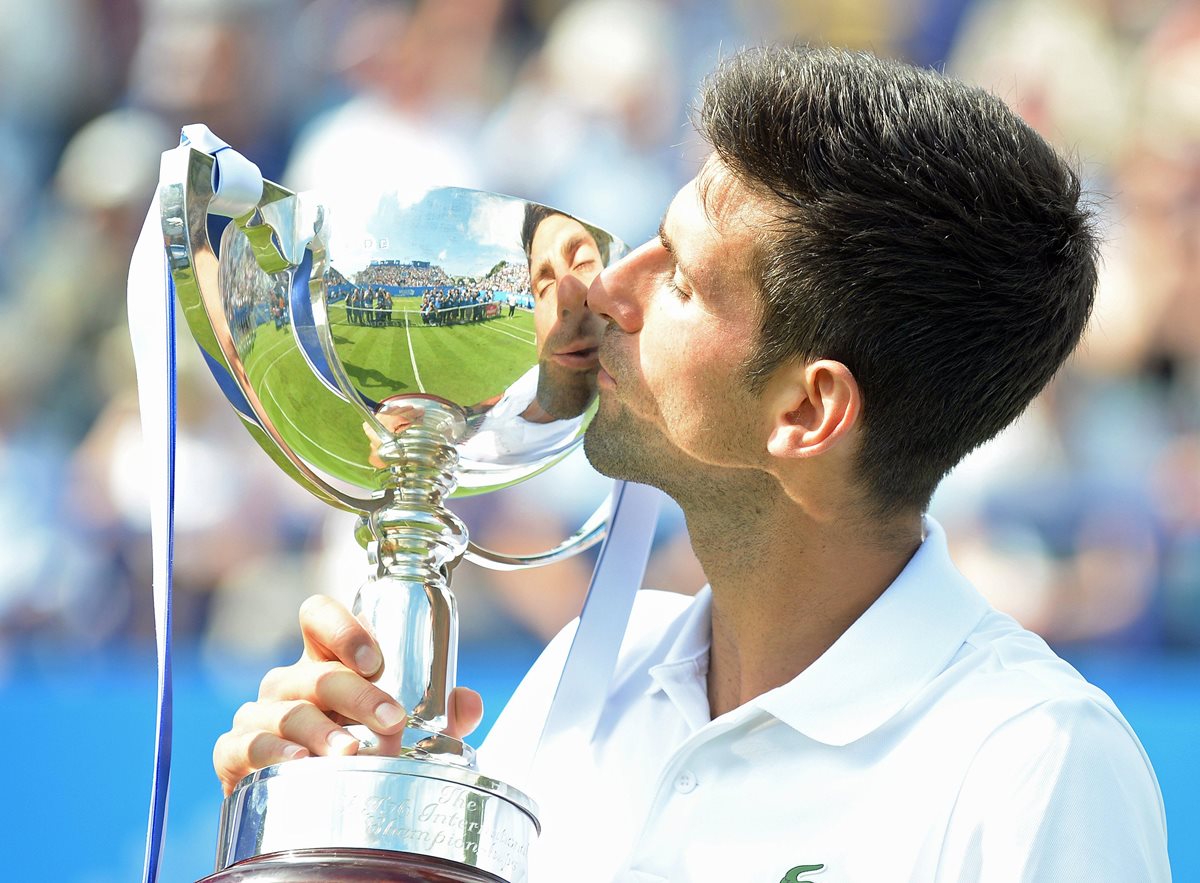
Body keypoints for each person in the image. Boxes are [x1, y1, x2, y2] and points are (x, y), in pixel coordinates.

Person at [212, 46, 1169, 881]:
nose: (604, 285)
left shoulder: (1034, 762)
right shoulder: (591, 674)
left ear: (807, 409)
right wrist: (320, 839)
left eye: (677, 275)